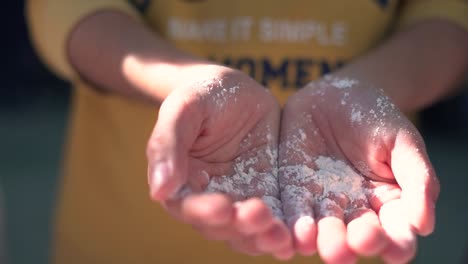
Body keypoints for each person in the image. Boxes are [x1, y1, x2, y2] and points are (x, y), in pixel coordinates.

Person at [26, 0, 468, 263]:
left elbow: (448, 20)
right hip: (124, 239)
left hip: (348, 237)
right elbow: (62, 10)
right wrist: (179, 81)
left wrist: (370, 86)